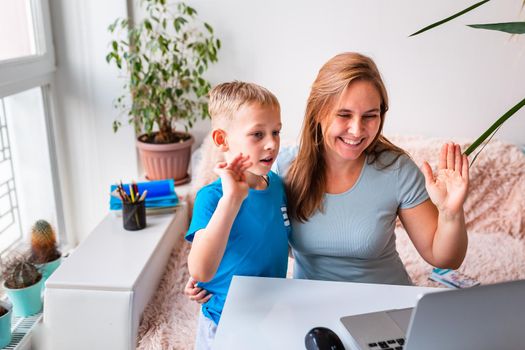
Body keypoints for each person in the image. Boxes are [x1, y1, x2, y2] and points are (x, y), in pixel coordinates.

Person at [186, 52, 469, 292]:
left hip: (385, 302)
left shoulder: (396, 169)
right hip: (312, 308)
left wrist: (451, 213)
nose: (357, 130)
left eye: (370, 115)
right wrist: (207, 280)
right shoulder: (282, 168)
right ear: (318, 112)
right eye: (344, 115)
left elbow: (443, 258)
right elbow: (248, 233)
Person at [185, 81, 291, 350]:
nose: (271, 144)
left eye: (276, 132)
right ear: (222, 139)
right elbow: (199, 269)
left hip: (270, 315)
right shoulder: (211, 198)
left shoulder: (277, 185)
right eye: (257, 134)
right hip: (225, 323)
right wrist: (232, 199)